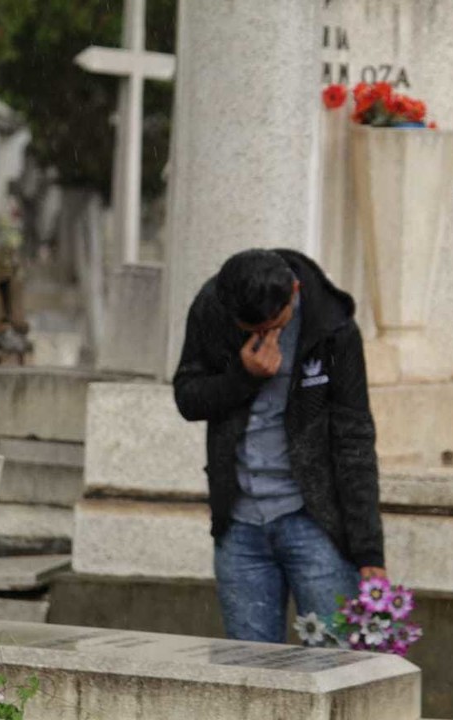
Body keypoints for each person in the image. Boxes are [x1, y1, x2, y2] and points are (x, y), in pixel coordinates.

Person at [173, 248, 385, 644]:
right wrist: (243, 377)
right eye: (251, 329)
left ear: (295, 291)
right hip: (239, 525)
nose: (266, 336)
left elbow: (354, 437)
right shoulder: (211, 307)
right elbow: (187, 398)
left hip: (315, 521)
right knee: (250, 673)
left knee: (334, 663)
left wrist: (369, 550)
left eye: (275, 324)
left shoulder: (333, 328)